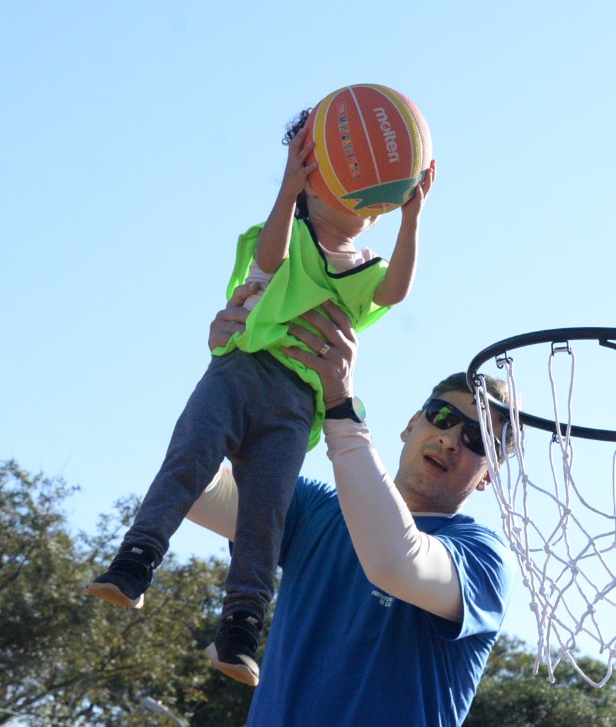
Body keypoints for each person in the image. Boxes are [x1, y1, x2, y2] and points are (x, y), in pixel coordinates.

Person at [142, 293, 514, 727]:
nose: (452, 439)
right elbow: (194, 486)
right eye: (441, 416)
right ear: (409, 424)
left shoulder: (480, 558)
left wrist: (341, 409)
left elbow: (394, 560)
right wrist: (232, 379)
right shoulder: (315, 508)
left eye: (478, 440)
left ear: (488, 477)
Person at [87, 103, 437, 688]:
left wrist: (413, 217)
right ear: (312, 183)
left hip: (295, 408)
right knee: (190, 460)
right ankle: (136, 559)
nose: (359, 207)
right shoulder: (280, 232)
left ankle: (242, 627)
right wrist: (288, 187)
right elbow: (269, 259)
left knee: (264, 515)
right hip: (238, 374)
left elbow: (398, 292)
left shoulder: (365, 272)